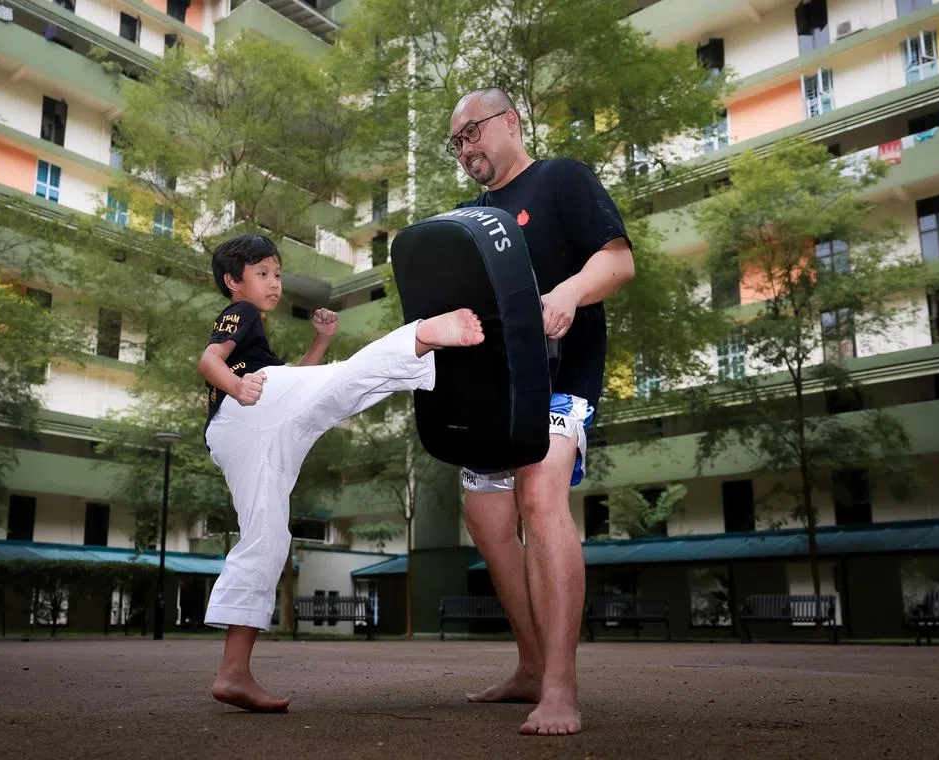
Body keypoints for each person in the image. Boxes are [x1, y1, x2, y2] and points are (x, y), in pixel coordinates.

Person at [198, 233, 485, 713]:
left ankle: (233, 672)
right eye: (262, 273)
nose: (274, 283)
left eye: (277, 273)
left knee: (266, 539)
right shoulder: (240, 313)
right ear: (233, 281)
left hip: (244, 432)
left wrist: (322, 340)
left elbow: (300, 379)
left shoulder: (256, 336)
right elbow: (209, 360)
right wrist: (235, 386)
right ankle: (418, 338)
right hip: (247, 411)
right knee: (342, 382)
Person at [448, 88, 636, 736]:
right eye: (457, 142)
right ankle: (529, 666)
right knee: (485, 515)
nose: (466, 148)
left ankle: (560, 688)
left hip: (563, 375)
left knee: (540, 494)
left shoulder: (562, 180)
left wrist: (567, 293)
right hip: (489, 389)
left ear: (509, 121)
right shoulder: (467, 217)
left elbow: (618, 260)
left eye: (472, 131)